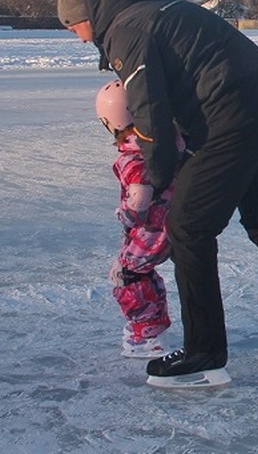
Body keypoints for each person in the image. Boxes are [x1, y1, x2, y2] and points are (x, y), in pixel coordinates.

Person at [58, 0, 258, 389]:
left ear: (86, 17)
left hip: (232, 116)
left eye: (72, 28)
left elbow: (149, 111)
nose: (76, 38)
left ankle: (204, 355)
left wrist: (158, 178)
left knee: (187, 228)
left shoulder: (126, 29)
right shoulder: (153, 9)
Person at [96, 79, 177, 359]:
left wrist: (128, 216)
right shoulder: (162, 141)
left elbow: (140, 194)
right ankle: (153, 328)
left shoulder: (133, 156)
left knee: (126, 274)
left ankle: (149, 335)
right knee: (142, 273)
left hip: (151, 229)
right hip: (171, 223)